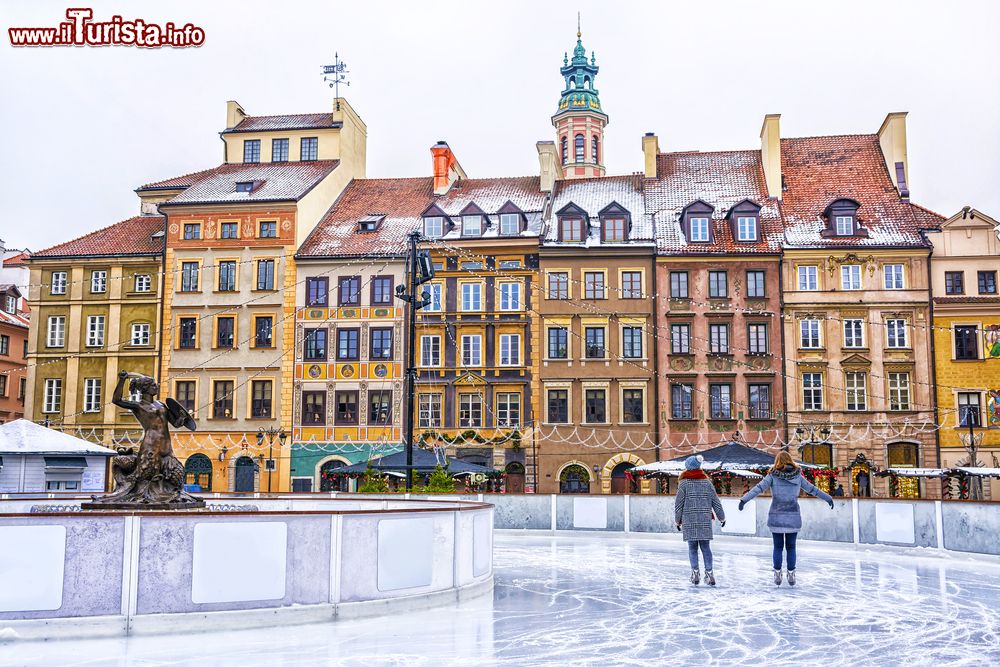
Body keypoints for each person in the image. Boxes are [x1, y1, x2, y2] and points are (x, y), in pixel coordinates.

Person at [738, 451, 833, 586]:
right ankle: (791, 573)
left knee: (777, 547)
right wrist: (828, 498)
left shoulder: (772, 475)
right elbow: (812, 489)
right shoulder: (798, 476)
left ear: (777, 461)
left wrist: (744, 500)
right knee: (791, 547)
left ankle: (777, 573)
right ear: (790, 460)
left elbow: (759, 488)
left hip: (776, 515)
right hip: (792, 516)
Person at [675, 455, 725, 586]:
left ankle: (695, 573)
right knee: (706, 548)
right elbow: (716, 502)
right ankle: (709, 574)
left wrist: (677, 520)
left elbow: (679, 504)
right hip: (704, 520)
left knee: (692, 548)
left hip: (689, 520)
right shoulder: (707, 482)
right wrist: (722, 517)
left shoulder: (683, 483)